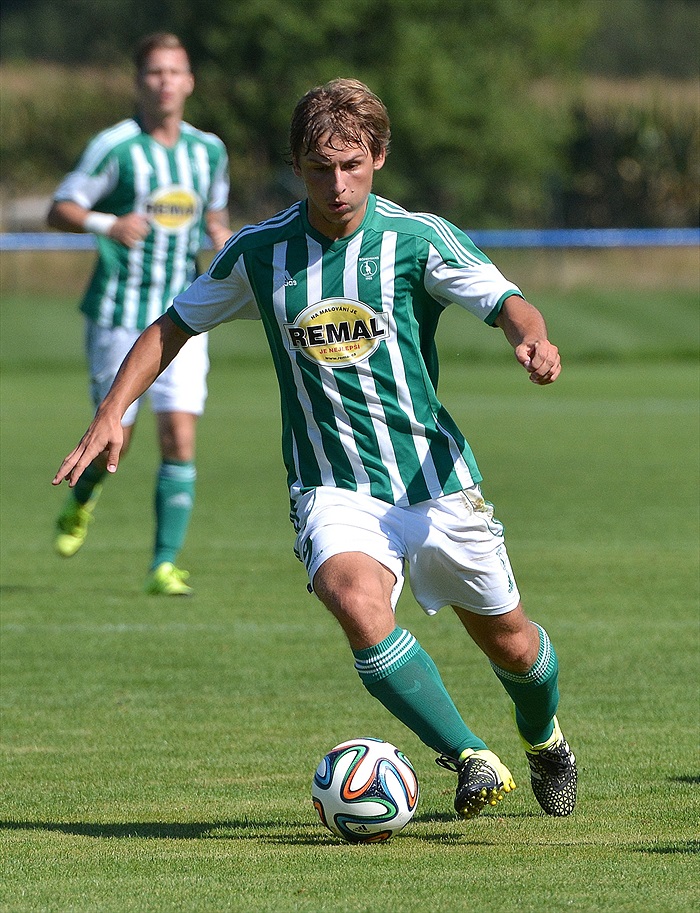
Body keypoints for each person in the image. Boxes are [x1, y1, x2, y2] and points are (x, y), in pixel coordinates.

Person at [53, 78, 577, 817]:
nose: (338, 184)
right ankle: (470, 755)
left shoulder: (415, 238)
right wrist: (113, 408)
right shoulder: (261, 252)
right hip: (331, 485)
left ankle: (544, 737)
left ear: (379, 157)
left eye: (352, 164)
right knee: (353, 599)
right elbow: (173, 324)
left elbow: (504, 300)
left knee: (515, 646)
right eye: (321, 167)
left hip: (433, 481)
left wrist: (534, 339)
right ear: (297, 165)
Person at [47, 32, 232, 595]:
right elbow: (61, 209)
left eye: (175, 72)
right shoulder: (117, 146)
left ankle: (162, 565)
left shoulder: (209, 151)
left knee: (178, 435)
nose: (165, 82)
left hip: (184, 312)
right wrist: (108, 223)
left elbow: (215, 218)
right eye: (154, 72)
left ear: (190, 81)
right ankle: (81, 502)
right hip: (119, 313)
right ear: (139, 81)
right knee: (111, 435)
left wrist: (227, 243)